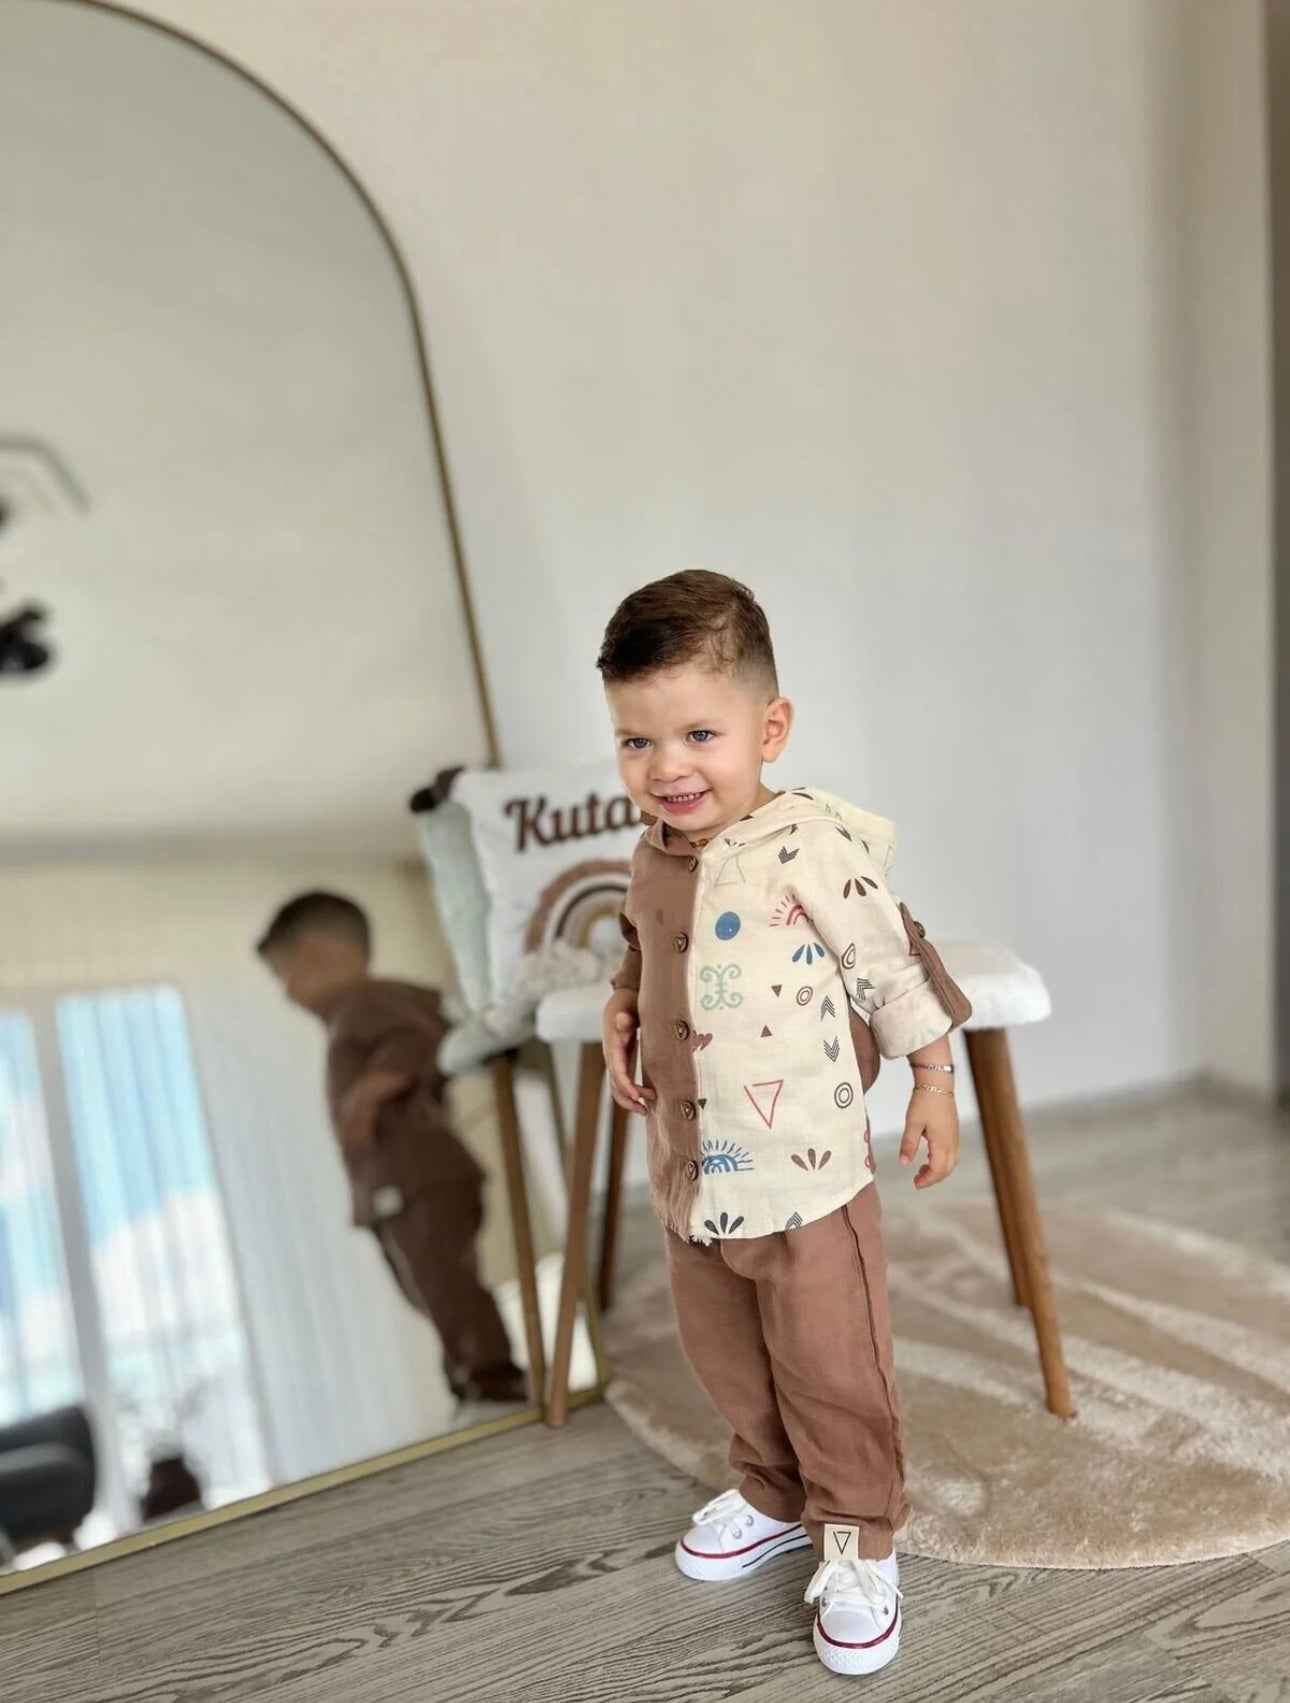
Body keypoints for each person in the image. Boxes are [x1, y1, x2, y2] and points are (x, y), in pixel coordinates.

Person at [597, 570, 971, 1679]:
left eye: (698, 734)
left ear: (770, 729)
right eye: (635, 741)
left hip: (806, 1177)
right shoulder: (650, 855)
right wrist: (621, 1004)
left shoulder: (808, 846)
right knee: (726, 1352)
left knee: (829, 1363)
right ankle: (769, 1488)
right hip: (693, 1172)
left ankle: (856, 1532)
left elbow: (890, 966)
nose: (666, 766)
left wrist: (933, 1079)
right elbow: (641, 949)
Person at [256, 891, 526, 1407]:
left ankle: (492, 1377)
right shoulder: (354, 1014)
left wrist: (367, 1094)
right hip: (395, 1184)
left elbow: (416, 1038)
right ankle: (470, 1374)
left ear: (320, 954)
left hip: (416, 1176)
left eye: (285, 974)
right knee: (429, 1286)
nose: (286, 992)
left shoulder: (367, 1000)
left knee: (443, 1282)